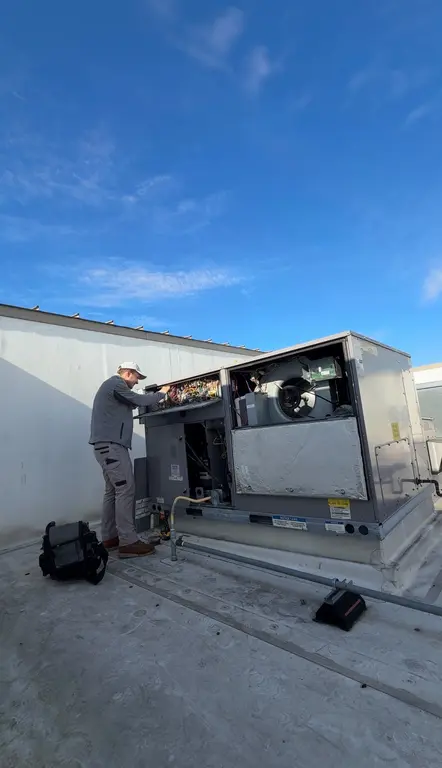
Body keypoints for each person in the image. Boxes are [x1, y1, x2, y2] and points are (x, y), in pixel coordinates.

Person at [89, 362, 169, 558]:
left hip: (104, 447)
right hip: (112, 447)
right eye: (136, 378)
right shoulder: (116, 384)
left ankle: (110, 538)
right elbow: (139, 400)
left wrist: (147, 397)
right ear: (128, 373)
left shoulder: (113, 389)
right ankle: (128, 542)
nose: (136, 383)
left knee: (112, 491)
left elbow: (134, 401)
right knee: (126, 490)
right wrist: (162, 393)